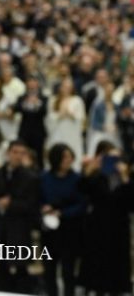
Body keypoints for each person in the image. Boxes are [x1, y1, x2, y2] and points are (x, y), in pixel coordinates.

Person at [78, 141, 134, 295]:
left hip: (119, 227)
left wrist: (125, 177)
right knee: (97, 261)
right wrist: (90, 170)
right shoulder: (96, 175)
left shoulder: (126, 176)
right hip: (98, 225)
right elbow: (82, 191)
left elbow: (131, 203)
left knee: (117, 262)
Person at [0, 139, 40, 294]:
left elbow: (31, 205)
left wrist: (10, 204)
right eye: (15, 152)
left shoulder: (30, 178)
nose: (18, 156)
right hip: (0, 228)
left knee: (21, 268)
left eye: (22, 153)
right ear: (8, 153)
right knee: (1, 267)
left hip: (19, 229)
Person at [41, 143, 85, 296]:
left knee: (68, 270)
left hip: (70, 230)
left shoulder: (77, 179)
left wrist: (62, 213)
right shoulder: (44, 178)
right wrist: (45, 209)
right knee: (49, 270)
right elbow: (38, 199)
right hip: (49, 229)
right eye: (64, 157)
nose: (68, 160)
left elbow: (81, 204)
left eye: (70, 156)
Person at [46, 77, 85, 171]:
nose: (66, 89)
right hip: (57, 133)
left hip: (72, 134)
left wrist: (70, 115)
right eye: (64, 86)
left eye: (69, 87)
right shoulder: (53, 100)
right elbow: (49, 118)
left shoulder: (77, 100)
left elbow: (81, 118)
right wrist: (60, 115)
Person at [15, 76, 48, 169]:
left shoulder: (44, 98)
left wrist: (36, 103)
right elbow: (17, 108)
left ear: (37, 83)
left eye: (34, 81)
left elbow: (44, 111)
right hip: (24, 131)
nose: (31, 84)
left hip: (38, 131)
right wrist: (27, 103)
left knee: (39, 155)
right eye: (29, 81)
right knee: (23, 153)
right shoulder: (21, 98)